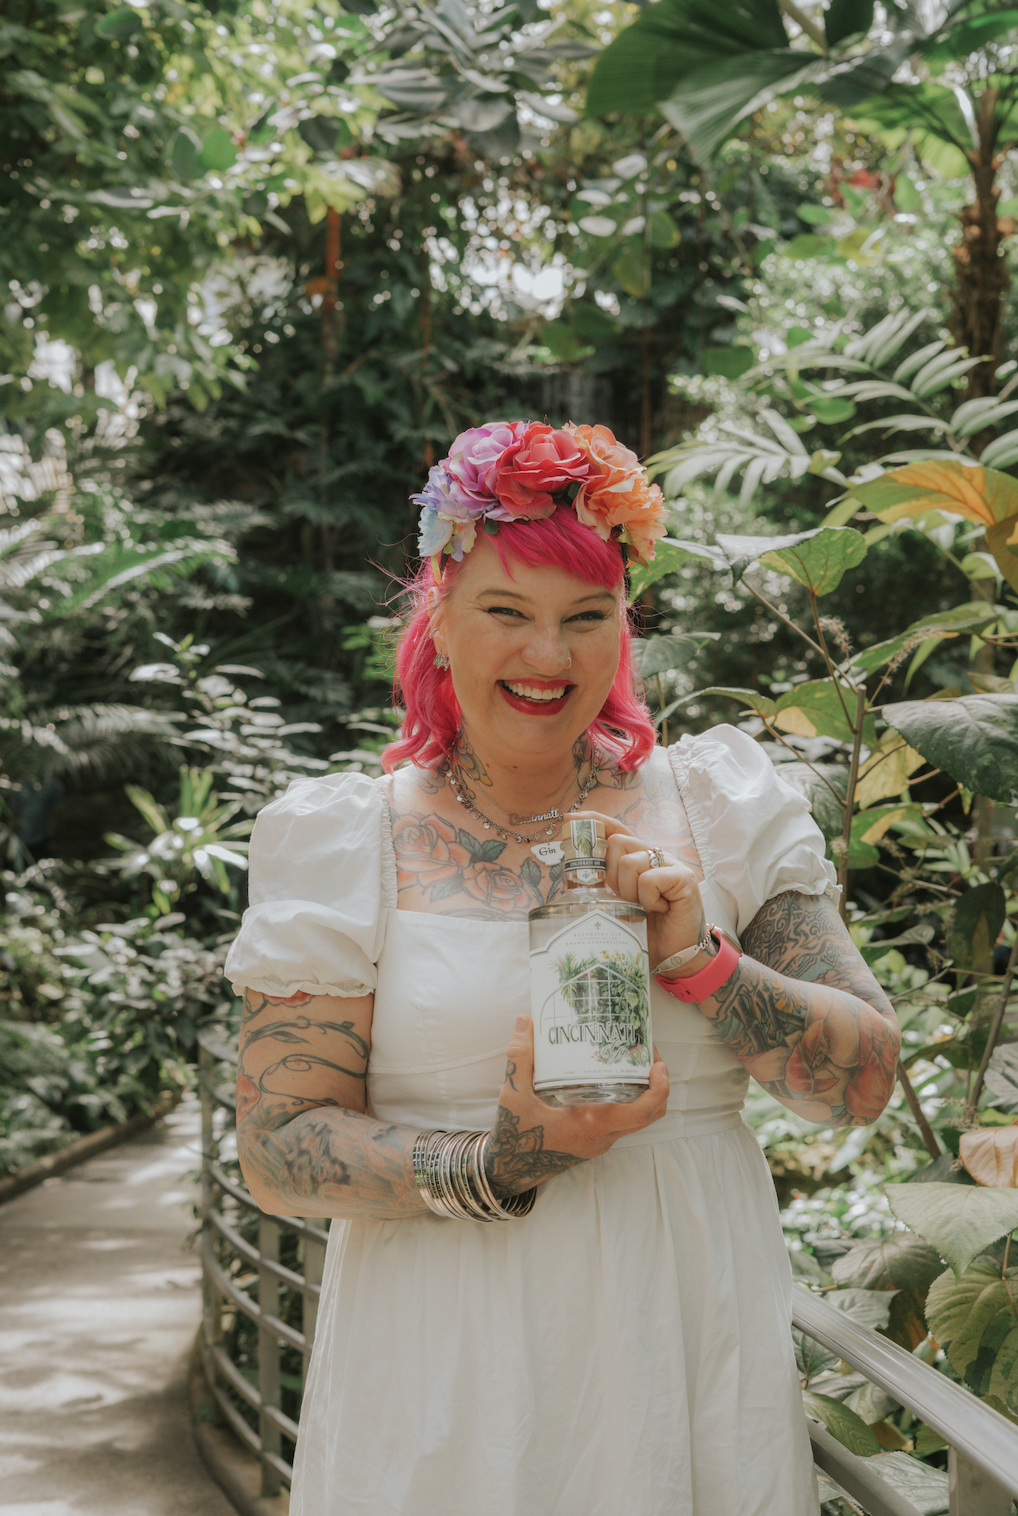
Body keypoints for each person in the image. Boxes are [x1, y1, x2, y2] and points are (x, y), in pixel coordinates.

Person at [225, 418, 901, 1516]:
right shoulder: (346, 842)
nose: (549, 656)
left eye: (586, 617)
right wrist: (496, 1165)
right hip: (441, 1364)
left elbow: (860, 1084)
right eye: (507, 612)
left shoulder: (722, 809)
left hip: (684, 1347)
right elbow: (277, 1145)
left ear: (622, 630)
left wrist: (700, 960)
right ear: (439, 617)